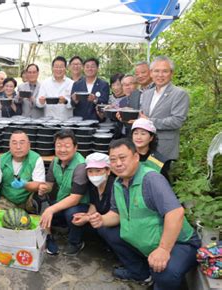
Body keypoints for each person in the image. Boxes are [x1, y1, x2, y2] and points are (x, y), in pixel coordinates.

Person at [88, 138, 200, 289]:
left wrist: (163, 249)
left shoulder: (151, 179)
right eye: (113, 160)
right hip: (147, 241)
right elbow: (116, 214)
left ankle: (161, 280)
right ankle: (140, 273)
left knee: (165, 273)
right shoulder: (118, 183)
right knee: (106, 230)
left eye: (123, 158)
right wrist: (101, 219)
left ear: (135, 157)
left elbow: (175, 213)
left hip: (179, 244)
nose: (118, 164)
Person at [38, 129, 89, 256]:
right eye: (59, 146)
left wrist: (51, 210)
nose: (62, 149)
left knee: (72, 214)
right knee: (39, 204)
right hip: (62, 200)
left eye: (67, 146)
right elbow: (50, 184)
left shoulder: (80, 166)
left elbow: (75, 198)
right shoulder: (55, 161)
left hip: (81, 204)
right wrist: (44, 188)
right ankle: (50, 236)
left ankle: (75, 242)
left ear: (75, 147)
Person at [0, 131, 45, 217]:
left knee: (40, 199)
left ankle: (38, 219)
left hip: (28, 199)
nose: (18, 147)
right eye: (14, 143)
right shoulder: (2, 160)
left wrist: (25, 184)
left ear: (29, 145)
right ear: (9, 146)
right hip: (8, 199)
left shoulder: (36, 159)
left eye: (22, 143)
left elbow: (38, 184)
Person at [140, 56, 190, 160]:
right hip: (144, 147)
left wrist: (149, 121)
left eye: (165, 71)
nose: (160, 75)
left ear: (171, 73)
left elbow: (177, 121)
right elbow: (142, 116)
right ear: (151, 73)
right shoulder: (146, 94)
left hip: (164, 148)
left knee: (161, 175)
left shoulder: (179, 94)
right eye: (156, 71)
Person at [36, 56, 74, 121]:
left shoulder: (72, 83)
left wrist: (65, 101)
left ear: (65, 68)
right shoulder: (45, 83)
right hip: (49, 121)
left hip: (66, 121)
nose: (58, 69)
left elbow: (74, 104)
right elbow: (38, 104)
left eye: (61, 67)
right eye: (56, 67)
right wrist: (41, 102)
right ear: (52, 68)